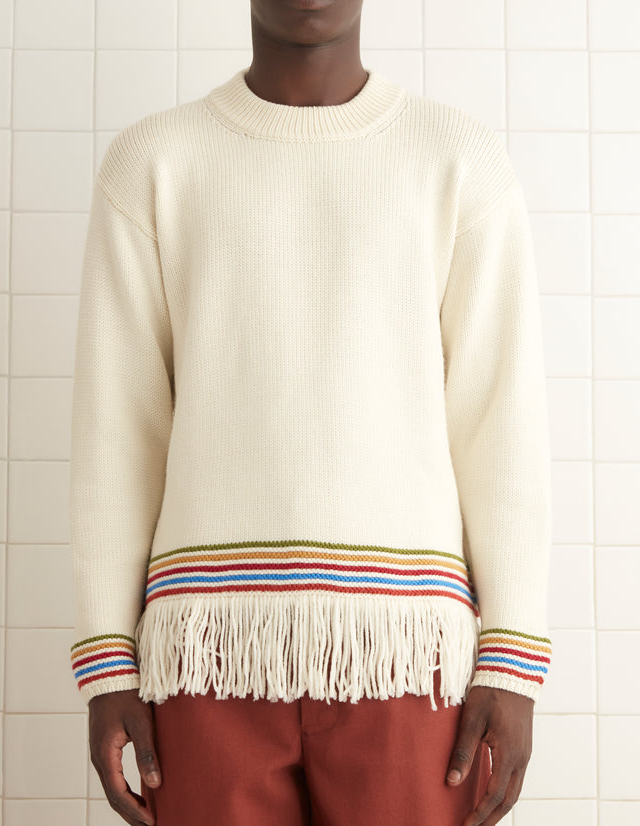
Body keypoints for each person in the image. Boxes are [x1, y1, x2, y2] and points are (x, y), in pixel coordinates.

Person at [68, 1, 553, 824]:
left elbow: (501, 419)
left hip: (405, 658)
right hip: (207, 652)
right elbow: (117, 426)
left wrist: (510, 661)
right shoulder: (152, 163)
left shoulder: (459, 161)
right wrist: (107, 664)